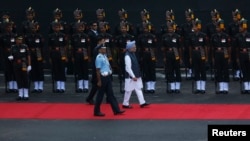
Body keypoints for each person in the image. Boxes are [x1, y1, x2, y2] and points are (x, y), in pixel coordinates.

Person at [94, 44, 125, 116]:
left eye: (105, 48)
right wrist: (99, 81)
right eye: (103, 48)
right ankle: (96, 111)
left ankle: (116, 110)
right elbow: (97, 70)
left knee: (111, 94)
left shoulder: (105, 56)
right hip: (102, 77)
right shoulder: (99, 57)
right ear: (99, 50)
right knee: (100, 95)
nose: (105, 49)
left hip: (107, 76)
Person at [122, 41, 150, 108]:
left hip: (136, 75)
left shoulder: (132, 54)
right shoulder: (127, 56)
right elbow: (128, 68)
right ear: (130, 48)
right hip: (131, 76)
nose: (135, 48)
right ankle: (125, 103)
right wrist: (133, 76)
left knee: (138, 88)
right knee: (128, 90)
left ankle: (142, 102)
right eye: (134, 47)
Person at [210, 19, 231, 94]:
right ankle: (220, 87)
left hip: (224, 52)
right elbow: (212, 48)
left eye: (218, 27)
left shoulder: (226, 36)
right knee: (218, 70)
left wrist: (229, 57)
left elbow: (228, 47)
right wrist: (212, 57)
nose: (217, 29)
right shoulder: (213, 36)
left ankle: (225, 88)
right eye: (216, 27)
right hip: (217, 53)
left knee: (225, 70)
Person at [161, 20, 182, 93]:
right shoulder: (164, 36)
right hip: (168, 54)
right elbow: (163, 47)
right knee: (170, 71)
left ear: (174, 28)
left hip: (176, 54)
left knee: (177, 70)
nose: (170, 29)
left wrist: (180, 57)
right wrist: (164, 56)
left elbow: (179, 48)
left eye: (171, 28)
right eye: (169, 28)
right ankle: (172, 87)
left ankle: (178, 87)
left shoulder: (177, 36)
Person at [8, 34, 31, 100]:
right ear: (16, 40)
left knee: (25, 78)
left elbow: (28, 56)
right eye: (18, 39)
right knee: (18, 79)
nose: (20, 40)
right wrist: (10, 57)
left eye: (20, 39)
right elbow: (11, 55)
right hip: (16, 64)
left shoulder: (25, 46)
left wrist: (29, 65)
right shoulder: (13, 47)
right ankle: (20, 94)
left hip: (23, 63)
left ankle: (26, 94)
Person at [189, 18, 208, 94]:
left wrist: (206, 56)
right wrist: (190, 57)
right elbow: (190, 47)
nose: (194, 28)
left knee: (202, 70)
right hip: (194, 53)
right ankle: (198, 87)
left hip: (201, 53)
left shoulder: (203, 35)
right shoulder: (191, 36)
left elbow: (206, 46)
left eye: (195, 26)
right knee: (196, 70)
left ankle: (203, 88)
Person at [137, 22, 157, 93]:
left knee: (152, 70)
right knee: (146, 70)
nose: (145, 29)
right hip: (144, 54)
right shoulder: (140, 37)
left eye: (146, 28)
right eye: (144, 28)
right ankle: (148, 87)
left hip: (151, 54)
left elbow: (155, 47)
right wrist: (141, 56)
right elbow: (139, 47)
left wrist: (151, 51)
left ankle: (152, 87)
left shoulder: (153, 36)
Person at [24, 22, 45, 93]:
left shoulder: (40, 36)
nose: (33, 29)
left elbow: (42, 46)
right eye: (32, 27)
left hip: (38, 54)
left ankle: (41, 87)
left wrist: (37, 50)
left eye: (34, 27)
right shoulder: (27, 36)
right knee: (34, 71)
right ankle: (36, 87)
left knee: (40, 70)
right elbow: (26, 46)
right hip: (31, 55)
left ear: (37, 28)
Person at [48, 21, 68, 93]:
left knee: (62, 69)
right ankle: (58, 86)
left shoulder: (63, 35)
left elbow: (65, 46)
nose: (56, 28)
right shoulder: (51, 36)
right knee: (56, 70)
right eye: (55, 27)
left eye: (58, 27)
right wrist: (50, 57)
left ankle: (62, 87)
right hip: (54, 53)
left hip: (61, 53)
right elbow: (50, 47)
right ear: (53, 28)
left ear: (60, 27)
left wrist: (65, 56)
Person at [71, 22, 90, 93]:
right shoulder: (74, 36)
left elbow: (88, 47)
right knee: (78, 70)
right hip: (77, 54)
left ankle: (86, 86)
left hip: (84, 54)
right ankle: (80, 86)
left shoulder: (86, 36)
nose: (81, 29)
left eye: (82, 27)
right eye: (79, 27)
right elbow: (72, 47)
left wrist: (88, 56)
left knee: (85, 70)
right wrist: (72, 56)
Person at [85, 36, 105, 104]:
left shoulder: (99, 48)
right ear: (99, 41)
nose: (104, 42)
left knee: (97, 85)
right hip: (97, 69)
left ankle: (90, 98)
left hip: (98, 69)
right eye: (103, 41)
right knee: (96, 85)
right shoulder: (97, 49)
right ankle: (90, 98)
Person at [0, 22, 18, 93]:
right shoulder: (2, 36)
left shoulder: (15, 35)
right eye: (8, 27)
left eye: (10, 27)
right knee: (8, 71)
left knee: (15, 70)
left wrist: (13, 50)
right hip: (6, 55)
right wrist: (5, 50)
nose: (9, 28)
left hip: (15, 55)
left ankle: (15, 86)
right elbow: (1, 46)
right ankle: (11, 86)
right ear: (5, 28)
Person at [235, 18, 250, 94]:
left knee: (249, 70)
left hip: (248, 54)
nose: (239, 28)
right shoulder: (238, 36)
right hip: (241, 54)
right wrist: (237, 57)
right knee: (243, 70)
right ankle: (246, 87)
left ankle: (249, 86)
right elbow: (237, 48)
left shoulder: (249, 35)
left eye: (240, 27)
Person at [180, 9, 195, 80]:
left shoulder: (195, 24)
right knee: (187, 58)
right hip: (186, 43)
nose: (187, 18)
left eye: (189, 17)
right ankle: (190, 71)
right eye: (186, 17)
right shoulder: (183, 25)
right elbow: (182, 36)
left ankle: (195, 71)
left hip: (194, 43)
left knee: (194, 57)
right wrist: (182, 45)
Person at [227, 9, 242, 81]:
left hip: (241, 43)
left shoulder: (242, 24)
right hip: (233, 44)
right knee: (234, 58)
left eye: (235, 17)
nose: (234, 19)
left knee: (241, 57)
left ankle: (240, 72)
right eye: (233, 17)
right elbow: (228, 35)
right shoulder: (230, 25)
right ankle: (236, 72)